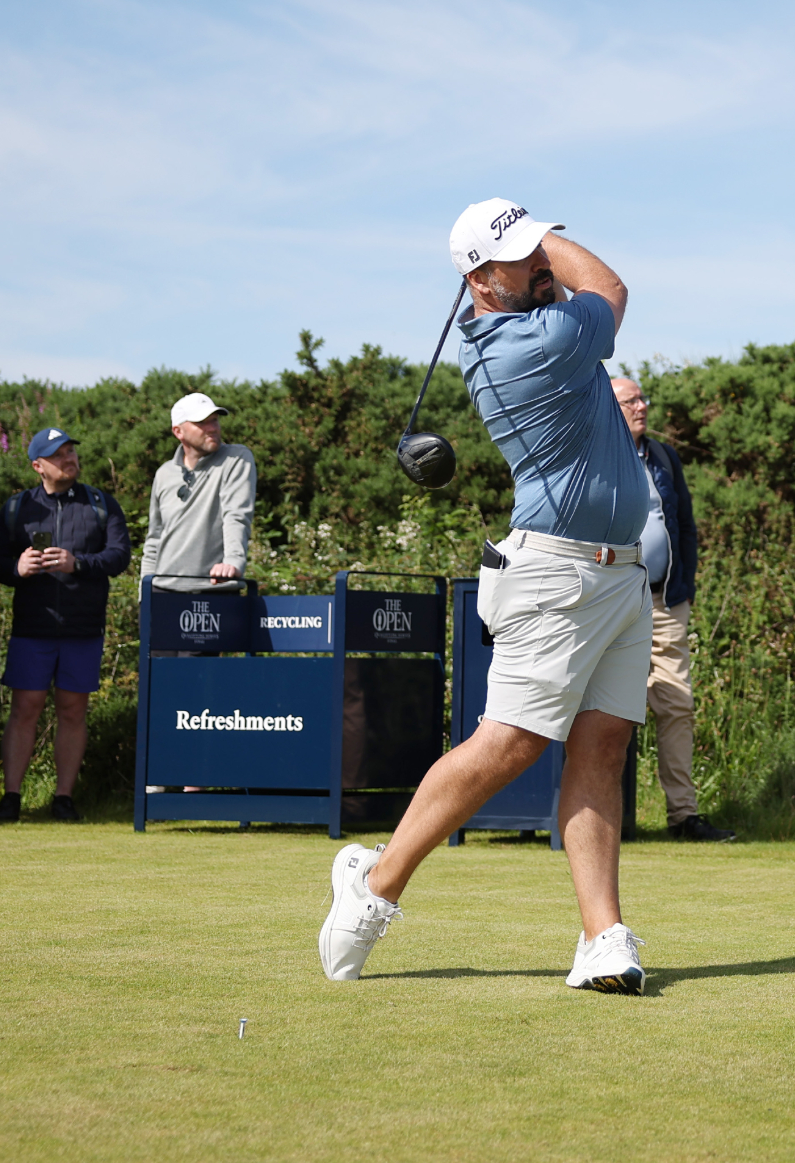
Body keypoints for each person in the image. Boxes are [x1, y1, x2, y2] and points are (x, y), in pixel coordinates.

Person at [320, 198, 652, 994]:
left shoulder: (534, 320)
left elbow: (583, 288)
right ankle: (375, 887)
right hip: (555, 574)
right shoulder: (524, 347)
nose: (541, 265)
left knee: (602, 747)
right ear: (477, 277)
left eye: (542, 251)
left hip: (620, 575)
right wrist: (557, 244)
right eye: (522, 257)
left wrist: (528, 243)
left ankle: (602, 938)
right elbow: (610, 286)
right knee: (510, 743)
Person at [607, 375, 733, 842]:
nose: (643, 406)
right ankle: (608, 821)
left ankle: (683, 817)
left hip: (664, 601)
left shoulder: (663, 456)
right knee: (610, 709)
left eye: (642, 398)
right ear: (608, 405)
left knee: (677, 705)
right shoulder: (594, 452)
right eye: (630, 400)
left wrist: (685, 588)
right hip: (612, 601)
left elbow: (685, 527)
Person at [0, 428, 129, 823]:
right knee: (24, 709)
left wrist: (77, 563)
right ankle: (11, 797)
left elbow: (119, 557)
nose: (68, 459)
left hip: (83, 628)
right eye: (58, 454)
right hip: (33, 627)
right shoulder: (16, 508)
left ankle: (63, 798)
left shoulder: (101, 503)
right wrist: (18, 568)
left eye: (70, 452)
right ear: (37, 466)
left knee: (72, 710)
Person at [139, 393, 255, 594]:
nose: (212, 428)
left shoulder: (236, 458)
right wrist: (145, 591)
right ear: (178, 431)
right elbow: (155, 537)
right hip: (162, 591)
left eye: (214, 420)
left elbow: (236, 515)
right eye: (201, 423)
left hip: (216, 587)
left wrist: (233, 562)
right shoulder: (164, 473)